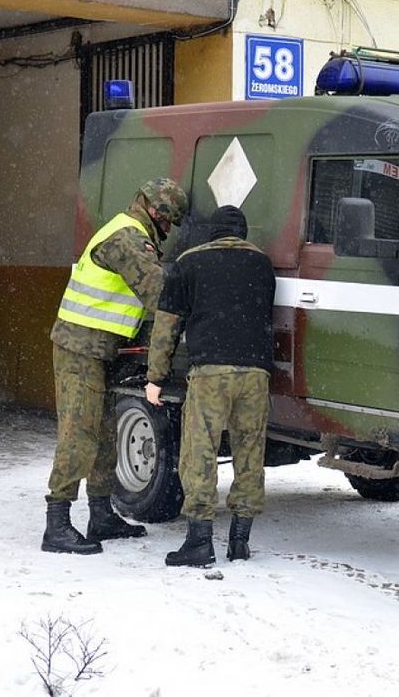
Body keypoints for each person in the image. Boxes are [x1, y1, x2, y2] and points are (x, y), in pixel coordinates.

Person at [42, 178, 189, 555]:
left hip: (103, 351)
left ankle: (101, 515)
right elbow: (160, 294)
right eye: (168, 221)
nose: (168, 229)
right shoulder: (128, 238)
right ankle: (56, 524)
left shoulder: (131, 232)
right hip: (80, 349)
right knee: (79, 433)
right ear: (155, 211)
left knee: (106, 434)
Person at [145, 205, 275, 567]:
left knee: (200, 451)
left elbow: (166, 326)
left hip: (210, 372)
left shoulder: (190, 262)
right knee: (250, 453)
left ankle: (199, 541)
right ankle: (240, 541)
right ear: (243, 233)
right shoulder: (262, 264)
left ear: (212, 232)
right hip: (256, 372)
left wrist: (155, 377)